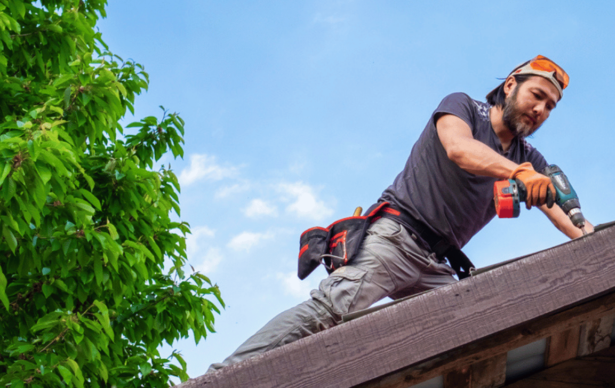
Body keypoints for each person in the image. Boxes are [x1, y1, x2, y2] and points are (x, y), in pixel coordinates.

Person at [208, 55, 592, 372]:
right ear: (511, 85)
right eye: (537, 95)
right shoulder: (463, 108)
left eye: (550, 106)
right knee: (331, 311)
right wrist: (517, 173)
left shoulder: (530, 159)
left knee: (475, 334)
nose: (541, 109)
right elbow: (459, 149)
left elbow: (570, 219)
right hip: (395, 238)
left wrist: (592, 239)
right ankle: (223, 376)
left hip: (438, 264)